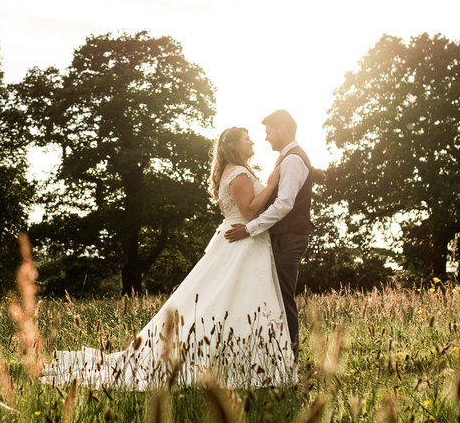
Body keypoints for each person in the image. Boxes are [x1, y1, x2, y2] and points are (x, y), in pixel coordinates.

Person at [41, 127, 297, 390]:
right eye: (247, 138)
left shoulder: (229, 171)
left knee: (230, 298)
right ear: (233, 144)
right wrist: (271, 183)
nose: (253, 140)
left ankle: (243, 358)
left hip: (237, 240)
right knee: (238, 298)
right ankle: (241, 361)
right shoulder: (239, 173)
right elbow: (250, 209)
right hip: (243, 240)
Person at [225, 110, 313, 361]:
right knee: (276, 296)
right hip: (284, 235)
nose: (265, 138)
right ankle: (278, 356)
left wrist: (249, 229)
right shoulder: (286, 159)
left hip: (288, 237)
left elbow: (284, 204)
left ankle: (291, 360)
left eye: (268, 131)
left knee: (284, 299)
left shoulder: (293, 160)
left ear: (282, 129)